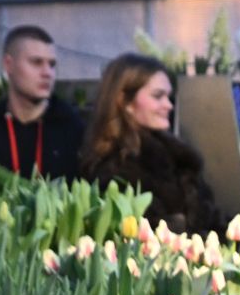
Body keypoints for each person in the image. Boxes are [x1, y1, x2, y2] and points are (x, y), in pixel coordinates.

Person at [80, 53, 223, 234]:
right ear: (125, 101)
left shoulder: (181, 160)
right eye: (158, 96)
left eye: (168, 96)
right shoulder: (111, 169)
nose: (169, 105)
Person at [0, 26, 84, 180]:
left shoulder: (76, 134)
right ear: (8, 65)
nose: (47, 73)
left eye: (52, 64)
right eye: (36, 62)